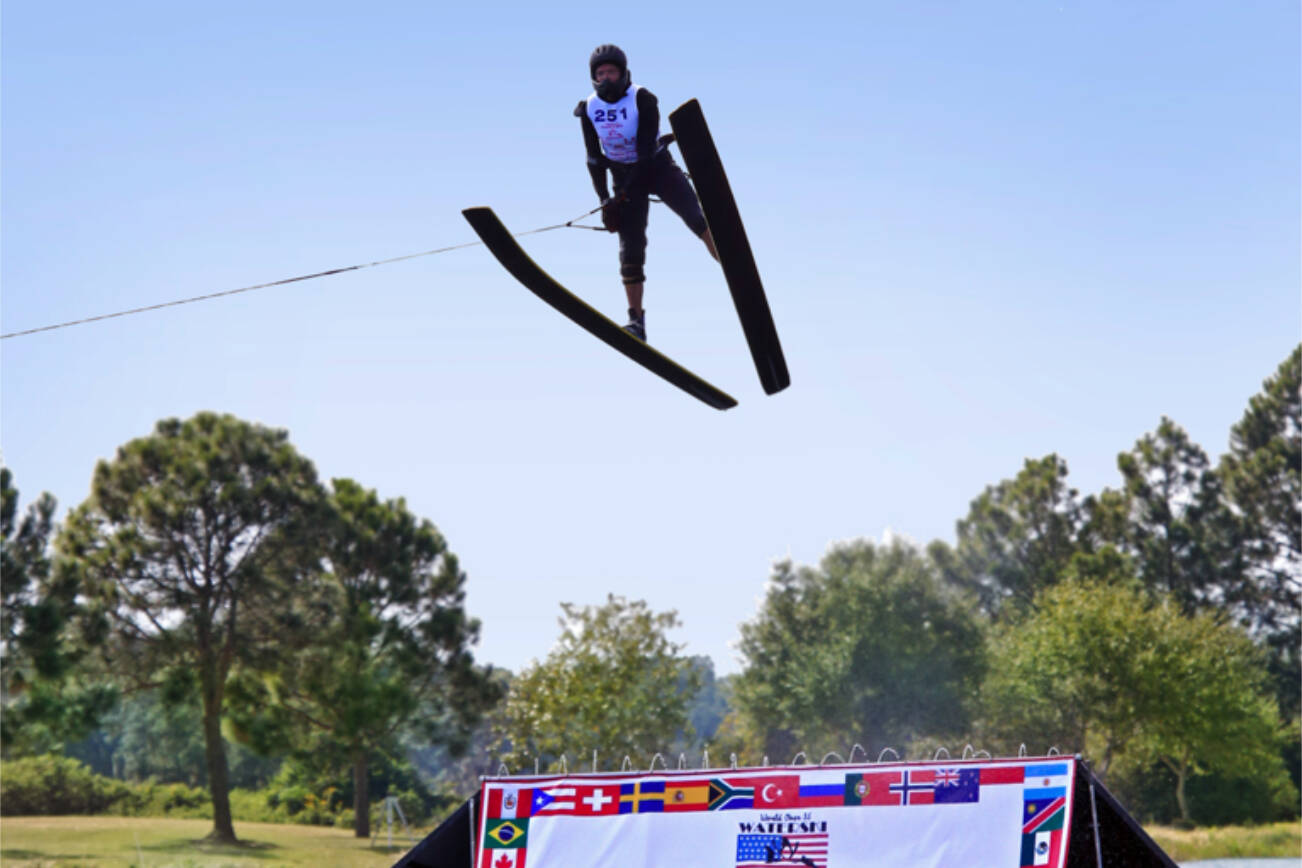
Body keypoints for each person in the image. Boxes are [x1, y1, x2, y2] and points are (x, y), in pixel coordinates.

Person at [574, 44, 718, 342]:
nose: (606, 79)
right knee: (631, 249)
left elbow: (642, 154)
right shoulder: (588, 108)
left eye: (611, 72)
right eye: (599, 74)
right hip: (622, 175)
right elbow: (593, 159)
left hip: (656, 167)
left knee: (696, 217)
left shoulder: (643, 99)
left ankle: (732, 268)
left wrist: (622, 195)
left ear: (624, 73)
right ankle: (636, 321)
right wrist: (605, 200)